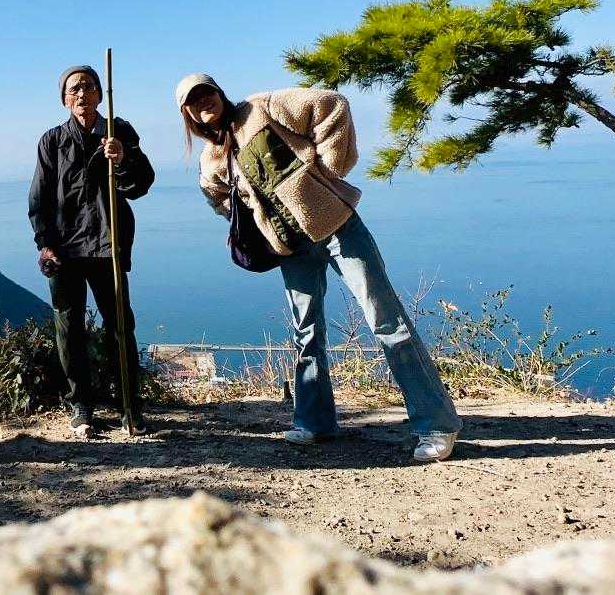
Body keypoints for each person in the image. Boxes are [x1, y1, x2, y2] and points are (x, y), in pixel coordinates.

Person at [175, 73, 461, 462]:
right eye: (192, 101)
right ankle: (315, 422)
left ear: (219, 92)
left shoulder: (261, 108)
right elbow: (215, 195)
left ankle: (437, 424)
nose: (202, 102)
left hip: (337, 227)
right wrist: (252, 218)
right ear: (188, 115)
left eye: (206, 92)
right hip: (290, 248)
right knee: (306, 333)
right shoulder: (212, 158)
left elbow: (331, 105)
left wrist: (327, 168)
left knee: (386, 321)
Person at [29, 65, 156, 437]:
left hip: (108, 246)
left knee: (120, 327)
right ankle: (81, 406)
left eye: (88, 86)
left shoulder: (119, 132)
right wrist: (45, 244)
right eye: (73, 89)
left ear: (101, 93)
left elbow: (141, 185)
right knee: (69, 330)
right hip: (65, 251)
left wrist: (124, 159)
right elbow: (39, 198)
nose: (81, 93)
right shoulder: (52, 141)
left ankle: (129, 404)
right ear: (64, 99)